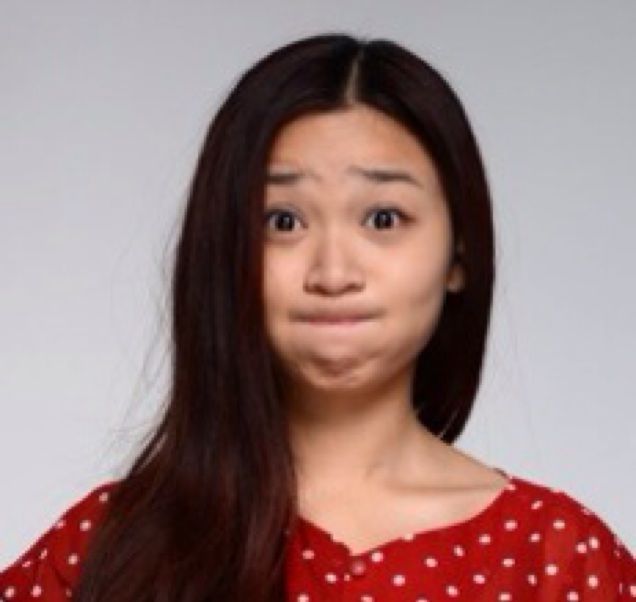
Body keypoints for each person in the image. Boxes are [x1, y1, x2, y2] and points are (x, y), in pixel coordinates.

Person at [1, 32, 634, 602]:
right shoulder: (111, 545)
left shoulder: (555, 559)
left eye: (383, 218)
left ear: (459, 253)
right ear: (226, 249)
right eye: (283, 221)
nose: (333, 273)